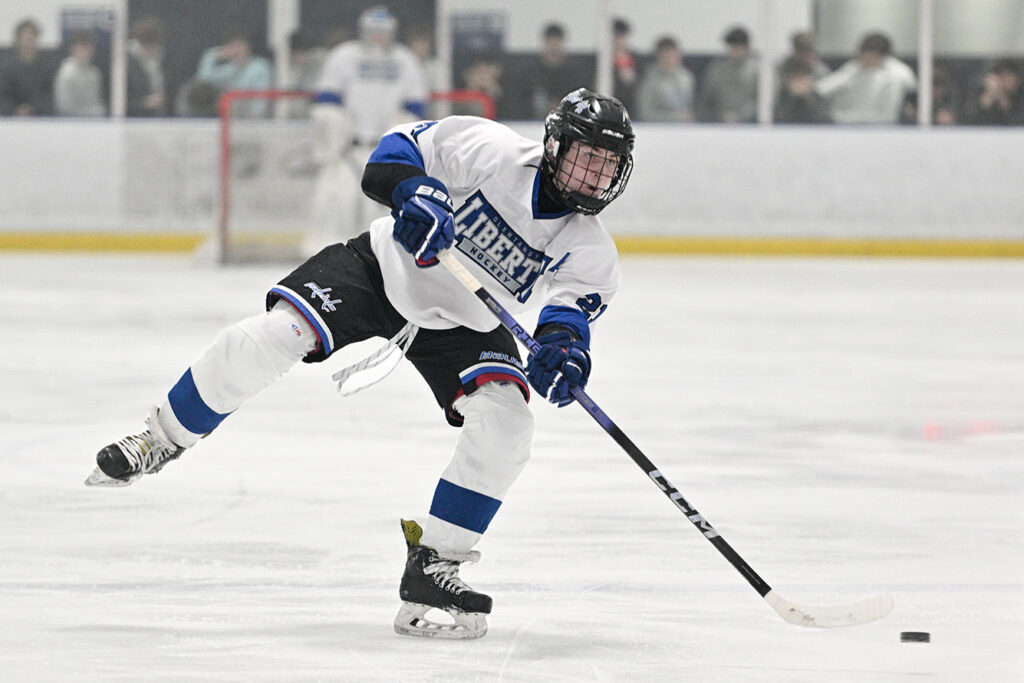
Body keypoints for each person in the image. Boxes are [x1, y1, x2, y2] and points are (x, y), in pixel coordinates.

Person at [85, 87, 636, 641]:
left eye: (608, 164)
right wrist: (413, 191)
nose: (595, 174)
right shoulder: (489, 149)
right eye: (587, 155)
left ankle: (434, 565)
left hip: (464, 323)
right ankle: (161, 437)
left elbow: (566, 320)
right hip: (379, 271)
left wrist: (562, 356)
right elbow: (392, 154)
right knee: (274, 335)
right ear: (556, 144)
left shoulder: (591, 251)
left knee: (508, 423)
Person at [305, 6, 427, 253]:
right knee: (338, 201)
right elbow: (327, 101)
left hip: (385, 149)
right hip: (348, 147)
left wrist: (400, 132)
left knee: (380, 207)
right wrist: (334, 133)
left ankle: (381, 257)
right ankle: (331, 255)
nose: (378, 37)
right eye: (373, 31)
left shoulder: (404, 60)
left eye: (383, 32)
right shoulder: (344, 56)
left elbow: (415, 105)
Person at [814, 32, 916, 125]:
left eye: (871, 57)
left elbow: (888, 115)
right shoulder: (853, 67)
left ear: (882, 57)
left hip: (881, 127)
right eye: (863, 56)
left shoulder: (898, 74)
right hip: (844, 123)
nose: (865, 61)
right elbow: (823, 87)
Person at [180, 30, 272, 118]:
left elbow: (262, 99)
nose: (237, 50)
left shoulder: (260, 66)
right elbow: (202, 82)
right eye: (232, 46)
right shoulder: (230, 69)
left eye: (240, 45)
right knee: (188, 89)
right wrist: (212, 55)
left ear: (248, 46)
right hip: (229, 119)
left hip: (254, 118)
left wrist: (256, 118)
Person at [696, 26, 758, 123]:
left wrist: (741, 116)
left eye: (738, 48)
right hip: (720, 121)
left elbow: (761, 102)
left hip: (751, 124)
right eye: (731, 48)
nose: (734, 52)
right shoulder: (717, 70)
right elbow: (707, 100)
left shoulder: (757, 71)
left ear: (746, 48)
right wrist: (718, 115)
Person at [0, 18, 56, 116]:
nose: (29, 41)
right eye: (25, 37)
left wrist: (33, 108)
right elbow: (3, 95)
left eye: (32, 37)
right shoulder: (6, 67)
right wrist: (15, 109)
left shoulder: (46, 66)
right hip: (9, 118)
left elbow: (48, 95)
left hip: (40, 116)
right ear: (18, 39)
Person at [636, 36, 695, 122]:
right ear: (658, 56)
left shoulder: (686, 77)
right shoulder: (650, 80)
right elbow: (645, 113)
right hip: (659, 128)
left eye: (672, 55)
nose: (669, 60)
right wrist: (674, 117)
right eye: (665, 56)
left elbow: (693, 106)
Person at [54, 30, 105, 117]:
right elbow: (64, 106)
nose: (86, 51)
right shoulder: (66, 72)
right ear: (73, 48)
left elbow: (95, 100)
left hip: (94, 122)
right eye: (82, 47)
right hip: (70, 122)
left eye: (88, 47)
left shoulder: (94, 73)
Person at [964, 58, 1024, 126]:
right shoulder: (978, 91)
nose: (1004, 82)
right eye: (1002, 77)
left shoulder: (1020, 95)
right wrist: (989, 95)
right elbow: (969, 120)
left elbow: (1016, 122)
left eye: (1009, 77)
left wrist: (1001, 96)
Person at [126, 16, 167, 117]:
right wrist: (143, 104)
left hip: (157, 116)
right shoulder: (125, 63)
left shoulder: (159, 58)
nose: (155, 50)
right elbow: (116, 101)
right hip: (134, 119)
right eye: (151, 46)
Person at [774, 60, 831, 124]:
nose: (801, 83)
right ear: (789, 81)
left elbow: (824, 120)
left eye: (805, 78)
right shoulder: (780, 98)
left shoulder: (817, 98)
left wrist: (808, 98)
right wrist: (793, 97)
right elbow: (778, 119)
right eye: (798, 78)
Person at [611, 18, 638, 112]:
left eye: (622, 37)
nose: (619, 41)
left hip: (632, 109)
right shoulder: (601, 63)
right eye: (616, 37)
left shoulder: (636, 61)